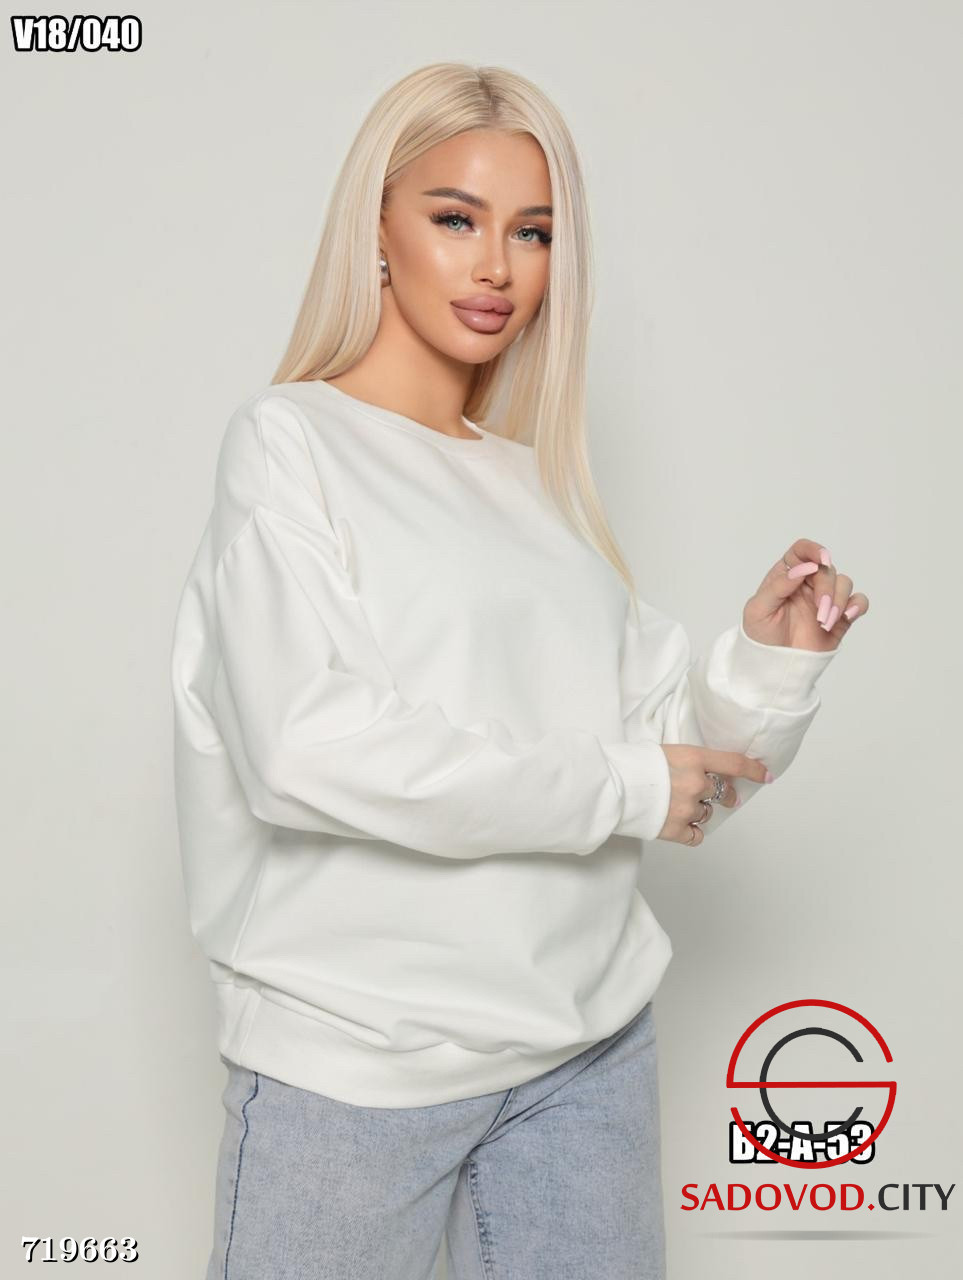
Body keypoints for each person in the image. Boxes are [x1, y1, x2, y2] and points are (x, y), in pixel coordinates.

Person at [169, 60, 867, 1280]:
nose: (497, 266)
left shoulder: (536, 485)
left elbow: (675, 767)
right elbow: (306, 747)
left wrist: (769, 663)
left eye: (533, 232)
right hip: (357, 1065)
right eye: (457, 218)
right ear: (376, 229)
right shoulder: (290, 442)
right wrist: (628, 784)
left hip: (586, 1054)